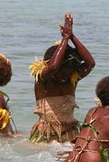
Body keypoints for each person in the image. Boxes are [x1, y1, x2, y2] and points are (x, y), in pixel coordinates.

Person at [29, 12, 95, 143]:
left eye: (69, 71)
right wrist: (65, 39)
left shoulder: (72, 79)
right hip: (45, 134)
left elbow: (90, 63)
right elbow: (53, 67)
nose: (65, 75)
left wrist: (72, 36)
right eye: (61, 72)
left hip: (70, 134)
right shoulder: (43, 79)